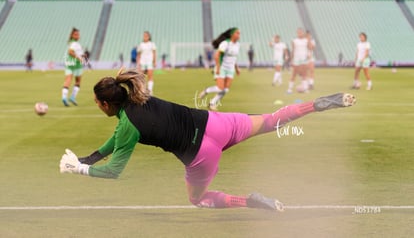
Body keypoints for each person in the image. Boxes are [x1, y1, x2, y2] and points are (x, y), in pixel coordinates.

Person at [59, 69, 356, 211]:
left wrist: (79, 169)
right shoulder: (138, 97)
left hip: (201, 156)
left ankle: (251, 202)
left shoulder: (127, 126)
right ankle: (314, 105)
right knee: (270, 120)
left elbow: (114, 171)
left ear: (105, 105)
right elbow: (116, 139)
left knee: (197, 198)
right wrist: (90, 157)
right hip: (217, 124)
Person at [198, 28, 241, 111]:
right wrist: (218, 68)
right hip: (222, 68)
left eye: (239, 33)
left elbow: (234, 58)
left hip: (230, 69)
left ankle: (212, 103)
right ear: (232, 34)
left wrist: (237, 68)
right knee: (220, 88)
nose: (239, 35)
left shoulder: (238, 45)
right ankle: (206, 90)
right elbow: (217, 56)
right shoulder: (225, 43)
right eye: (237, 33)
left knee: (225, 90)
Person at [62, 28, 84, 106]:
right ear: (72, 35)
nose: (77, 35)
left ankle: (64, 97)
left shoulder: (73, 43)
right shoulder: (74, 43)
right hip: (76, 64)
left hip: (70, 63)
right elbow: (70, 52)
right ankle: (72, 97)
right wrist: (79, 58)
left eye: (78, 34)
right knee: (77, 81)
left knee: (68, 80)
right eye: (75, 34)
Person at [287, 28, 309, 94]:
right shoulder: (294, 41)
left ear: (303, 33)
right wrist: (291, 60)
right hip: (296, 59)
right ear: (297, 33)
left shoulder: (306, 40)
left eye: (301, 32)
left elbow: (310, 48)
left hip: (304, 59)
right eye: (298, 32)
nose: (300, 34)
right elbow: (293, 50)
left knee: (304, 74)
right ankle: (289, 89)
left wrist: (309, 39)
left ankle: (305, 89)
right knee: (294, 74)